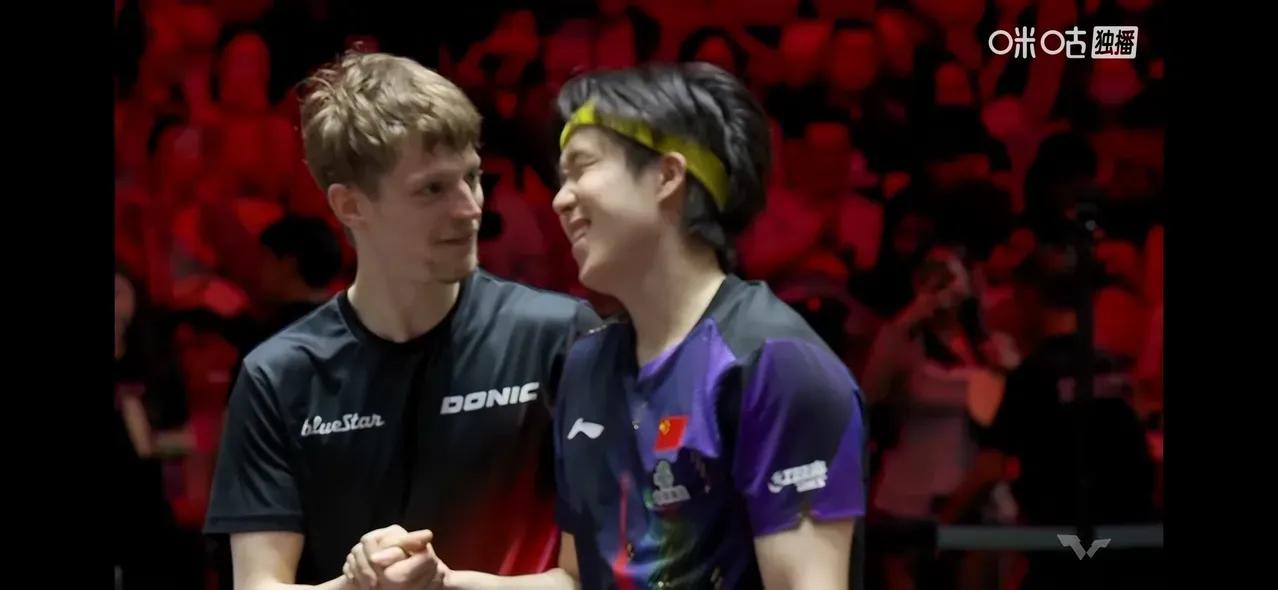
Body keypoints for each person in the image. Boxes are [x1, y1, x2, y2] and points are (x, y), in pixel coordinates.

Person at [370, 62, 867, 589]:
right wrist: (442, 583)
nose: (560, 199)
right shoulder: (587, 364)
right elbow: (577, 578)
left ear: (667, 177)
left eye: (581, 168)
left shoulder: (775, 364)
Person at [204, 50, 601, 589]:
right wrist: (356, 585)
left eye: (472, 177)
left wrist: (442, 584)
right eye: (432, 189)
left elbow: (589, 578)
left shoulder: (562, 338)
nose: (470, 208)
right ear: (350, 206)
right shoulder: (278, 377)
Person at [938, 245, 1160, 589]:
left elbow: (988, 470)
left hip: (1067, 555)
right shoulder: (1111, 369)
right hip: (1132, 552)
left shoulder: (1034, 375)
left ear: (1029, 296)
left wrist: (943, 528)